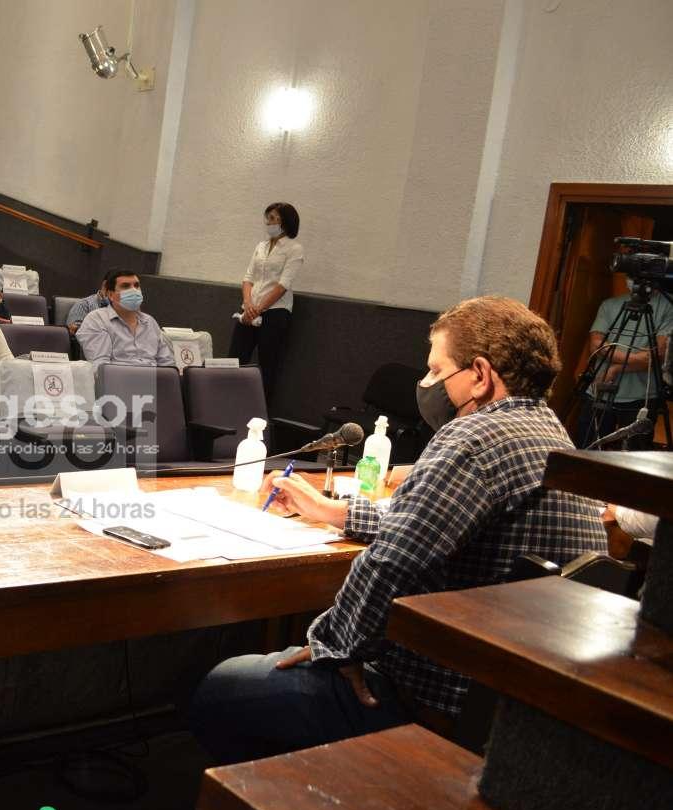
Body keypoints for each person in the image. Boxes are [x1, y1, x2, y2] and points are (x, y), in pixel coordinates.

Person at [189, 296, 609, 766]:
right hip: (515, 704)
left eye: (437, 370)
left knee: (223, 689)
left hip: (439, 700)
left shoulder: (473, 438)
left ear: (480, 374)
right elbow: (430, 524)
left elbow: (395, 560)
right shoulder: (551, 433)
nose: (428, 383)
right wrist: (335, 512)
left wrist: (336, 648)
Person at [573, 285, 672, 447]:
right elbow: (597, 345)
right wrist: (637, 359)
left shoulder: (668, 306)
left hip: (641, 398)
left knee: (633, 455)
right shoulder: (609, 305)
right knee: (587, 448)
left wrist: (616, 368)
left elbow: (657, 355)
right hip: (600, 391)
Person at [230, 202, 303, 403]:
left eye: (272, 218)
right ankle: (228, 402)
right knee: (234, 358)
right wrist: (248, 304)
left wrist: (259, 308)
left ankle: (260, 409)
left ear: (284, 222)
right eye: (267, 218)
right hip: (249, 309)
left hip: (275, 312)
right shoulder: (261, 246)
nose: (268, 222)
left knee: (267, 364)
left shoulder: (294, 249)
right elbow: (248, 278)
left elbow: (283, 285)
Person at [76, 271, 174, 367]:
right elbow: (101, 367)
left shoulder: (149, 321)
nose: (134, 290)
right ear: (110, 295)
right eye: (126, 286)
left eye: (136, 285)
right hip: (117, 376)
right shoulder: (97, 319)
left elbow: (167, 364)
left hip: (154, 376)